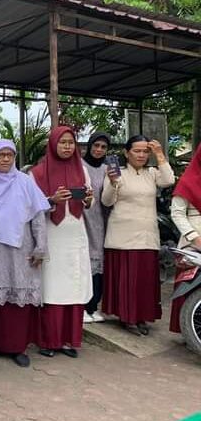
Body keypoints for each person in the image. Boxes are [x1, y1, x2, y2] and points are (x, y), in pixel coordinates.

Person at [0, 140, 49, 368]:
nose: (6, 159)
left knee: (19, 297)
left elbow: (38, 217)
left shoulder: (25, 182)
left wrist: (40, 247)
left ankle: (18, 346)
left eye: (10, 155)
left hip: (21, 248)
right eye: (1, 155)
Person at [102, 135, 174, 336]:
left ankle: (142, 317)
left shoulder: (152, 173)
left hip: (147, 234)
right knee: (128, 281)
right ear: (127, 153)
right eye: (137, 151)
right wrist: (112, 182)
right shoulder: (118, 173)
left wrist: (159, 154)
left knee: (145, 281)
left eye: (145, 151)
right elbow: (106, 201)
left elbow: (169, 180)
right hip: (122, 236)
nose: (141, 155)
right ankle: (127, 317)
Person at [31, 127, 94, 358]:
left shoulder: (82, 170)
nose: (67, 146)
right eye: (63, 142)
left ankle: (68, 340)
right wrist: (52, 200)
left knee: (74, 287)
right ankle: (49, 341)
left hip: (75, 234)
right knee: (52, 289)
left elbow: (89, 202)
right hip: (51, 235)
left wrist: (88, 199)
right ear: (53, 144)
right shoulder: (37, 173)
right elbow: (32, 207)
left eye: (71, 142)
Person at [170, 148, 201, 333]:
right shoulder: (188, 182)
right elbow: (177, 213)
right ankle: (189, 331)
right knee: (189, 287)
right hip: (193, 243)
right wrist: (194, 238)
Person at [82, 132, 111, 323]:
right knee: (84, 262)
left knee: (99, 264)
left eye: (103, 147)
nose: (99, 150)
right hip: (83, 218)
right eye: (96, 145)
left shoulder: (107, 169)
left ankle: (93, 306)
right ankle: (82, 306)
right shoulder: (79, 166)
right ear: (90, 145)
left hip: (102, 220)